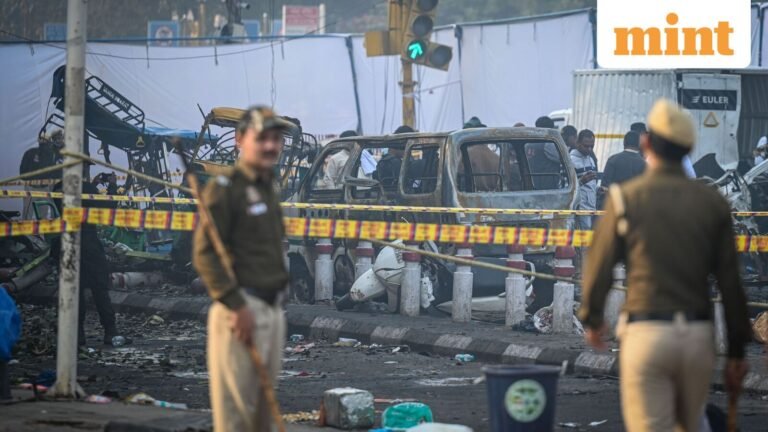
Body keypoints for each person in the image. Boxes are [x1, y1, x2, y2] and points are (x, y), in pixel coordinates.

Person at [579, 99, 751, 432]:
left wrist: (592, 318)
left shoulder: (625, 198)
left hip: (646, 334)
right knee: (692, 422)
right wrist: (737, 351)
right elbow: (731, 283)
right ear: (688, 148)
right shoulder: (712, 202)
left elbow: (598, 266)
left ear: (646, 143)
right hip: (697, 336)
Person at [193, 106, 291, 432]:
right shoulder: (226, 188)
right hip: (240, 313)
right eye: (261, 138)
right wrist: (236, 305)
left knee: (262, 416)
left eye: (275, 139)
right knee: (237, 417)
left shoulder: (267, 186)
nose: (270, 146)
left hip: (271, 310)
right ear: (239, 139)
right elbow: (206, 254)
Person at [50, 168, 125, 347]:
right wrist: (112, 186)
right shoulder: (89, 189)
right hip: (89, 244)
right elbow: (108, 208)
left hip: (67, 243)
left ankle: (77, 336)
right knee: (100, 290)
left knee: (74, 292)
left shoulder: (59, 188)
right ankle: (110, 333)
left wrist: (92, 184)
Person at [19, 131, 64, 219]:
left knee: (43, 214)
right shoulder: (30, 152)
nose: (44, 143)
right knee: (27, 214)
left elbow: (55, 172)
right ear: (39, 141)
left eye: (46, 141)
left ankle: (42, 232)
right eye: (42, 140)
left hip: (45, 188)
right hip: (31, 188)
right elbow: (22, 172)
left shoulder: (52, 155)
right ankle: (25, 232)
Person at [570, 129, 598, 230]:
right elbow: (564, 185)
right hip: (580, 208)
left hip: (592, 206)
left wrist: (598, 189)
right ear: (578, 143)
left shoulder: (590, 159)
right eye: (586, 146)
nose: (590, 149)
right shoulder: (570, 160)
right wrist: (581, 181)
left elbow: (592, 184)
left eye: (592, 146)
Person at [531, 116, 562, 189]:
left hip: (533, 183)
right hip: (548, 185)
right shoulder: (548, 144)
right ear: (550, 129)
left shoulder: (529, 144)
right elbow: (562, 159)